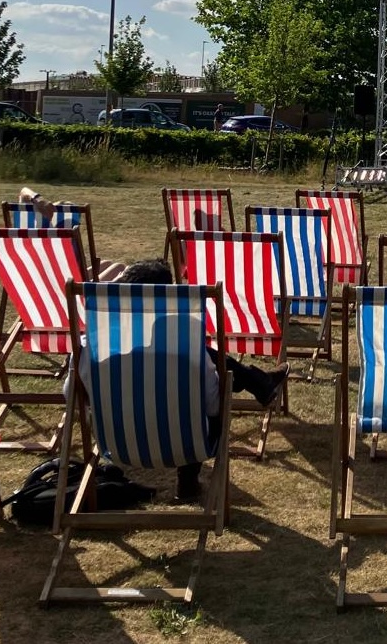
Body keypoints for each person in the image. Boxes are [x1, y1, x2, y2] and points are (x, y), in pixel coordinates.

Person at [101, 259, 288, 502]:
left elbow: (71, 392)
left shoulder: (95, 346)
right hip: (185, 442)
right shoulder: (188, 351)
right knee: (200, 381)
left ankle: (259, 381)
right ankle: (187, 481)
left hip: (116, 441)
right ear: (168, 301)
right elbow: (212, 405)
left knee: (201, 359)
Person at [18, 187, 127, 280]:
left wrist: (37, 198)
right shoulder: (65, 242)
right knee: (120, 268)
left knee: (107, 264)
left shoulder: (38, 234)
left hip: (43, 281)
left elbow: (24, 191)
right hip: (69, 290)